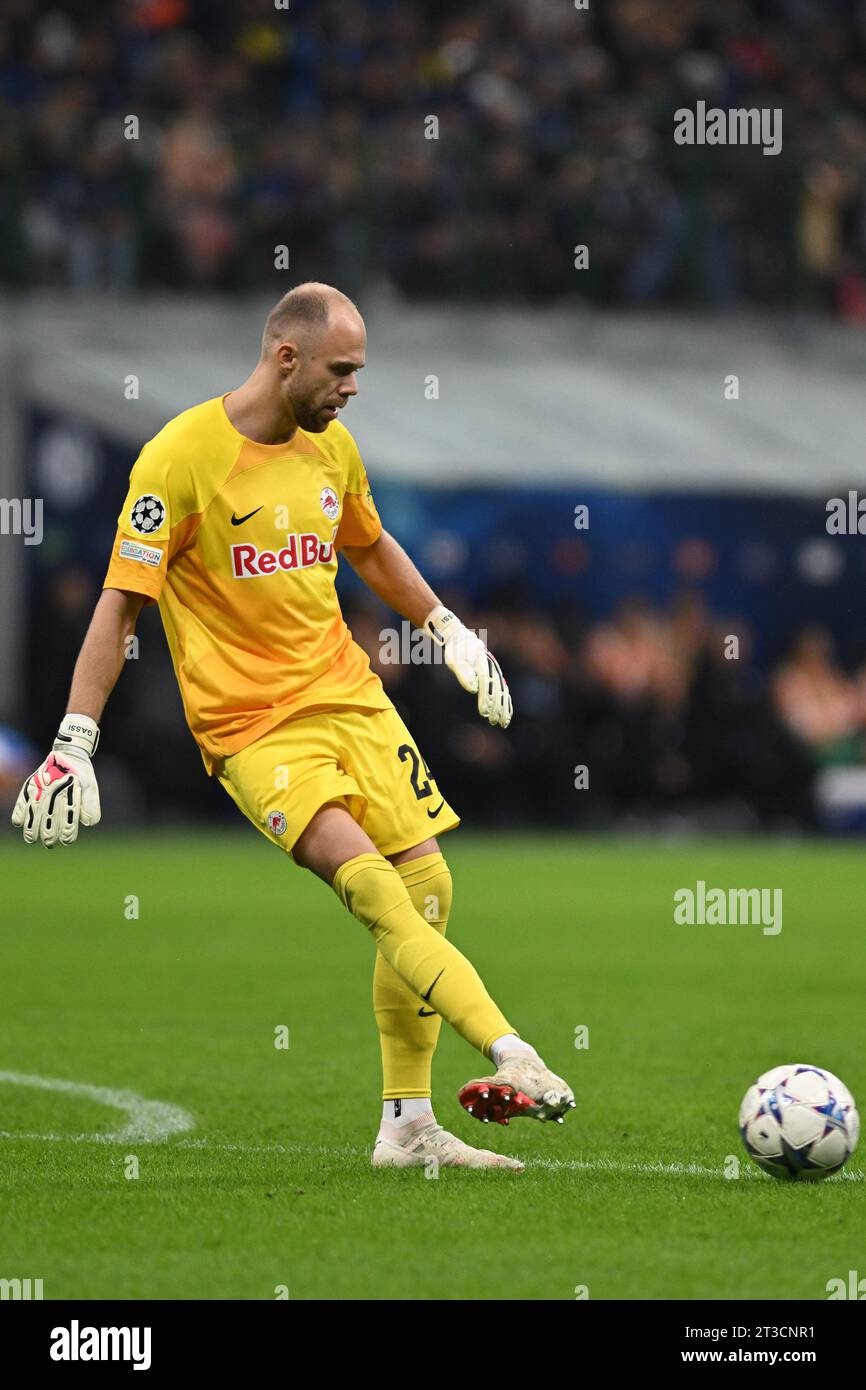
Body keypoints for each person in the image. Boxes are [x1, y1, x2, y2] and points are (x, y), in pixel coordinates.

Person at [11, 282, 574, 1171]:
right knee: (377, 895)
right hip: (252, 726)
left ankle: (406, 1126)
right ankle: (511, 1048)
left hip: (347, 696)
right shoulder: (181, 458)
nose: (352, 387)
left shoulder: (331, 448)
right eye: (342, 370)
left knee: (428, 890)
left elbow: (369, 544)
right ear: (287, 359)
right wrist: (73, 740)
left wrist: (447, 631)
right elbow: (121, 608)